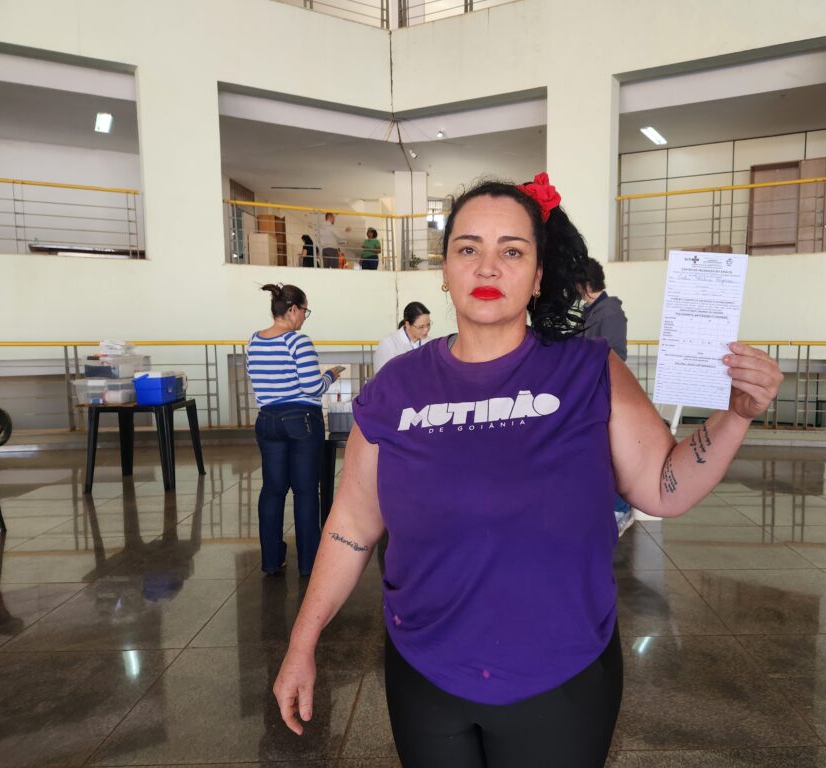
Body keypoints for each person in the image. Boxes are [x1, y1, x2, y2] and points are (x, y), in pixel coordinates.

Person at [272, 173, 782, 767]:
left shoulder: (589, 372)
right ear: (445, 270)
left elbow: (665, 487)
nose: (488, 267)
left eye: (512, 251)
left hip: (561, 680)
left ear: (539, 274)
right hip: (423, 673)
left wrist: (736, 416)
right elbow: (351, 527)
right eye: (468, 249)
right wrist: (302, 642)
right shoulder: (396, 388)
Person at [247, 284, 343, 577]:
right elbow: (312, 387)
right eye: (304, 311)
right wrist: (331, 375)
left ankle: (272, 560)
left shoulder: (254, 340)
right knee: (305, 491)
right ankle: (309, 563)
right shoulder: (297, 341)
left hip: (267, 420)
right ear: (292, 310)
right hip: (301, 421)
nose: (304, 317)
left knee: (273, 490)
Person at [580, 257, 634, 535]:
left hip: (602, 393)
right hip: (591, 390)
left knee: (593, 450)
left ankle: (621, 507)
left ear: (585, 284)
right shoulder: (591, 312)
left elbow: (615, 356)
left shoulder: (609, 312)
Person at [373, 301, 431, 373]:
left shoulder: (430, 343)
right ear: (407, 324)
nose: (426, 330)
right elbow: (382, 374)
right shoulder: (389, 343)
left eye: (428, 325)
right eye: (421, 327)